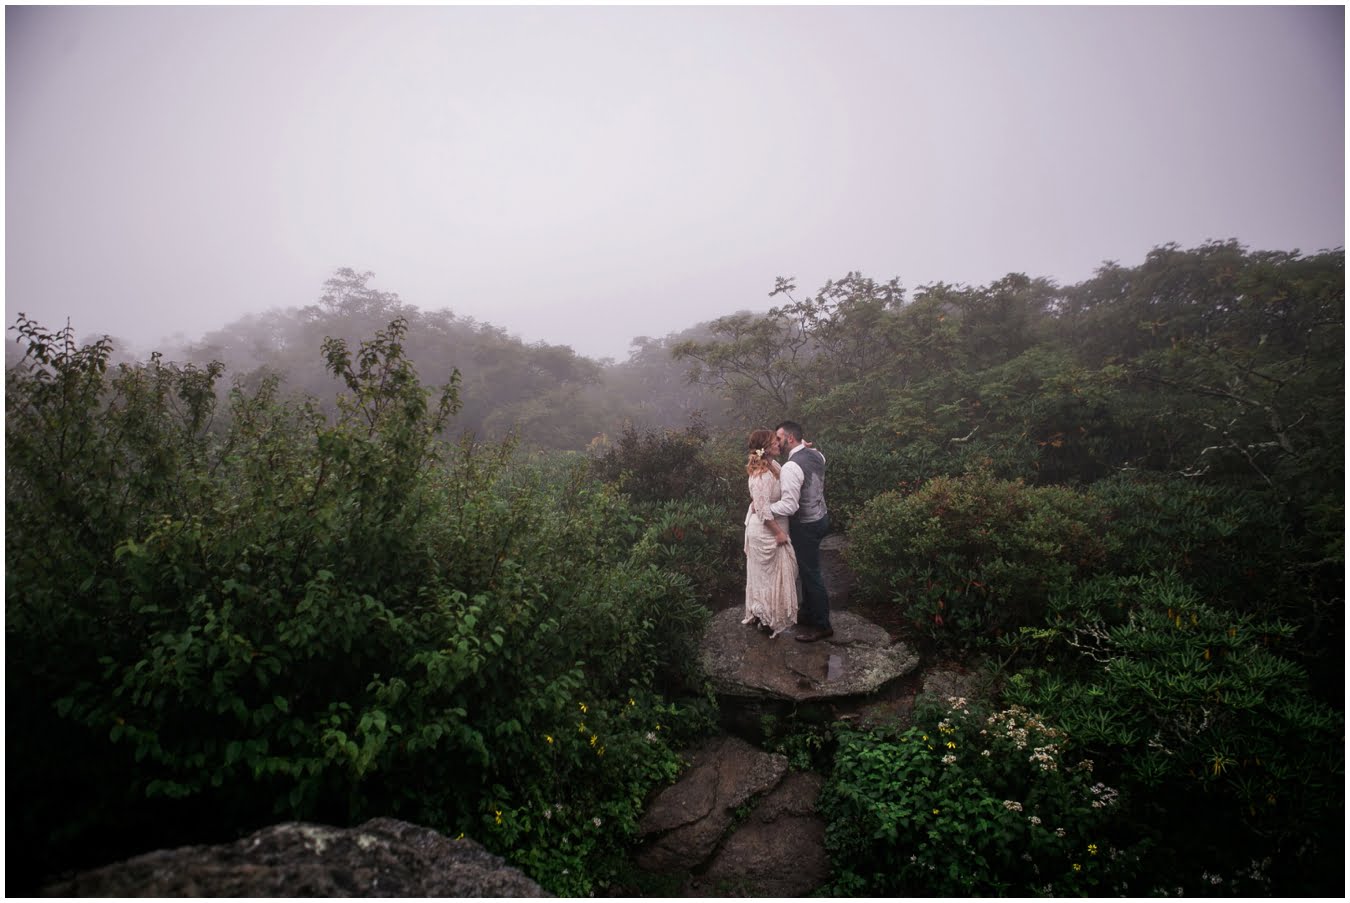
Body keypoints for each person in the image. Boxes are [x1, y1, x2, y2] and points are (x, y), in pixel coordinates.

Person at [770, 420, 832, 641]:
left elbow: (789, 506)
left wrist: (764, 508)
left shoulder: (791, 467)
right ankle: (808, 612)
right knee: (809, 569)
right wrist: (806, 446)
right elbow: (813, 453)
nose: (776, 442)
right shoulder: (817, 455)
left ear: (790, 438)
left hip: (805, 525)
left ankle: (823, 625)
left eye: (778, 438)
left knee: (810, 573)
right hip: (822, 518)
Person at [741, 428, 798, 638]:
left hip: (772, 524)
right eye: (775, 441)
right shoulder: (761, 474)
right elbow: (763, 510)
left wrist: (803, 449)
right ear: (765, 447)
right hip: (766, 530)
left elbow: (762, 502)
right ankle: (765, 617)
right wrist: (778, 534)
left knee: (771, 575)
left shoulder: (773, 465)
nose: (778, 444)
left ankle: (764, 614)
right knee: (766, 576)